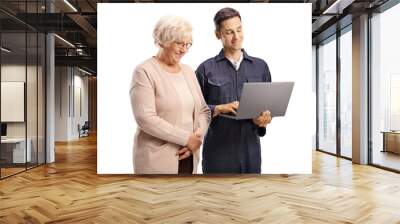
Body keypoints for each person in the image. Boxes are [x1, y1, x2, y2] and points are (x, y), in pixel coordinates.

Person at [130, 15, 211, 174]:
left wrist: (196, 138)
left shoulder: (188, 71)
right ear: (163, 41)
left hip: (189, 154)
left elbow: (203, 110)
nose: (184, 50)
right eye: (179, 43)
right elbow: (145, 118)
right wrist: (186, 139)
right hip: (156, 158)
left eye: (188, 44)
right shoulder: (144, 71)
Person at [196, 7, 272, 174]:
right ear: (218, 35)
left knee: (249, 198)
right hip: (217, 154)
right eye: (229, 32)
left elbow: (267, 109)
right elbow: (193, 110)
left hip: (251, 153)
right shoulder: (205, 69)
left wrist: (263, 121)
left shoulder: (260, 67)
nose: (236, 37)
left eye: (239, 29)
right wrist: (217, 108)